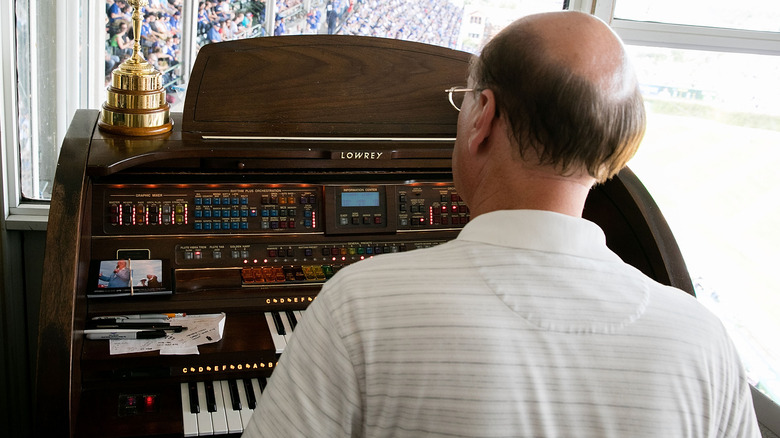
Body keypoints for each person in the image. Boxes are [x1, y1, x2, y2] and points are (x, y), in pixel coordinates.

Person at [242, 11, 760, 438]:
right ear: (613, 148)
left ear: (483, 116)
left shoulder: (355, 306)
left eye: (463, 99)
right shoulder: (705, 344)